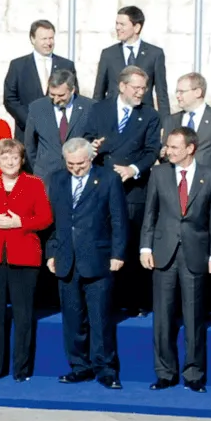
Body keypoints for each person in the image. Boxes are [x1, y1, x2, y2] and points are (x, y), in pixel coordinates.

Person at [141, 127, 211, 391]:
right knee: (163, 318)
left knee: (193, 317)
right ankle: (165, 372)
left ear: (190, 148)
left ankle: (194, 374)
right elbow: (150, 214)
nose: (168, 151)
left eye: (175, 147)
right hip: (164, 253)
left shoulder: (210, 175)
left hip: (195, 253)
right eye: (168, 146)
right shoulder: (159, 174)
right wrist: (145, 248)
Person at [45, 138, 127, 390]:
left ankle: (105, 369)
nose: (76, 169)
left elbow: (119, 220)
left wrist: (118, 254)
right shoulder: (57, 179)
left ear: (90, 159)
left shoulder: (108, 179)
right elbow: (54, 221)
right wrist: (51, 252)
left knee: (100, 318)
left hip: (98, 259)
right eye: (70, 164)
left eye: (80, 164)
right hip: (67, 260)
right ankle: (79, 366)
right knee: (72, 319)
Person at [0, 138, 52, 382]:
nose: (10, 162)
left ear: (22, 160)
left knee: (23, 314)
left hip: (24, 256)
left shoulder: (34, 184)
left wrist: (21, 223)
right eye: (4, 157)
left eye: (14, 157)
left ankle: (21, 369)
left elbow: (45, 218)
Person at [82, 65, 162, 315]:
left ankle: (135, 302)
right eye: (136, 88)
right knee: (104, 242)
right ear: (122, 86)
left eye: (143, 88)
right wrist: (91, 147)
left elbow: (151, 151)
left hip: (134, 191)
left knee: (131, 242)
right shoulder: (99, 109)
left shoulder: (150, 115)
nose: (140, 93)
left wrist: (133, 169)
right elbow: (85, 139)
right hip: (103, 187)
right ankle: (106, 301)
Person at [166, 73, 211, 206]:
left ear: (198, 92)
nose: (177, 96)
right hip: (177, 187)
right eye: (177, 91)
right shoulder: (172, 120)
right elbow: (166, 153)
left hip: (208, 188)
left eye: (182, 91)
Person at [92, 4, 169, 116]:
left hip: (143, 117)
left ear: (136, 27)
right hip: (113, 116)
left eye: (122, 24)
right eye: (117, 24)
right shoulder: (108, 54)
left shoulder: (155, 54)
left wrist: (165, 125)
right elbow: (99, 92)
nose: (118, 28)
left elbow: (161, 94)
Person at [1, 19, 74, 128]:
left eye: (51, 38)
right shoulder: (18, 66)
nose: (48, 43)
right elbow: (10, 99)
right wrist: (31, 123)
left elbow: (73, 95)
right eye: (44, 39)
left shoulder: (66, 65)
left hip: (57, 133)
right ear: (33, 39)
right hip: (26, 131)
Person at [22, 68, 91, 179]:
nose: (56, 100)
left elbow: (93, 139)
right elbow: (30, 144)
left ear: (72, 90)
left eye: (61, 95)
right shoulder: (37, 108)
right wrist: (38, 168)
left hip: (79, 174)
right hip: (46, 176)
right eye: (52, 95)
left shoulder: (89, 107)